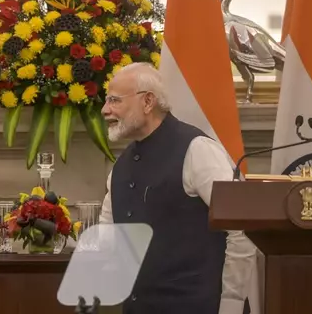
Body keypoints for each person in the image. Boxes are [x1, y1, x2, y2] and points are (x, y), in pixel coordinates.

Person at [99, 62, 256, 314]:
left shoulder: (198, 150)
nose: (105, 110)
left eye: (115, 100)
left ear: (148, 101)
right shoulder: (120, 166)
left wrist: (232, 302)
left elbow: (241, 229)